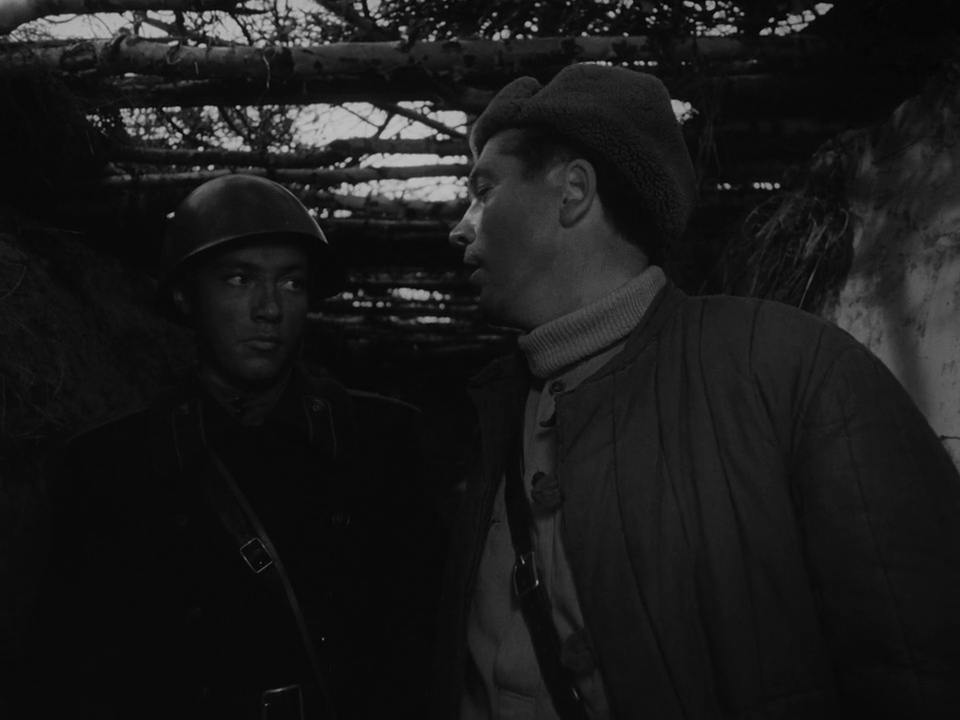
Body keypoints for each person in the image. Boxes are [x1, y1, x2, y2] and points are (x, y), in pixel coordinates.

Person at [434, 63, 960, 719]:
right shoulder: (494, 416)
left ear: (573, 192)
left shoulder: (791, 370)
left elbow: (921, 663)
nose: (460, 227)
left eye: (483, 190)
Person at [24, 174, 444, 719]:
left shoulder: (382, 443)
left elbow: (424, 646)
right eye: (239, 279)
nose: (269, 308)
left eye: (292, 282)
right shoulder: (109, 466)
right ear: (186, 296)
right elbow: (70, 672)